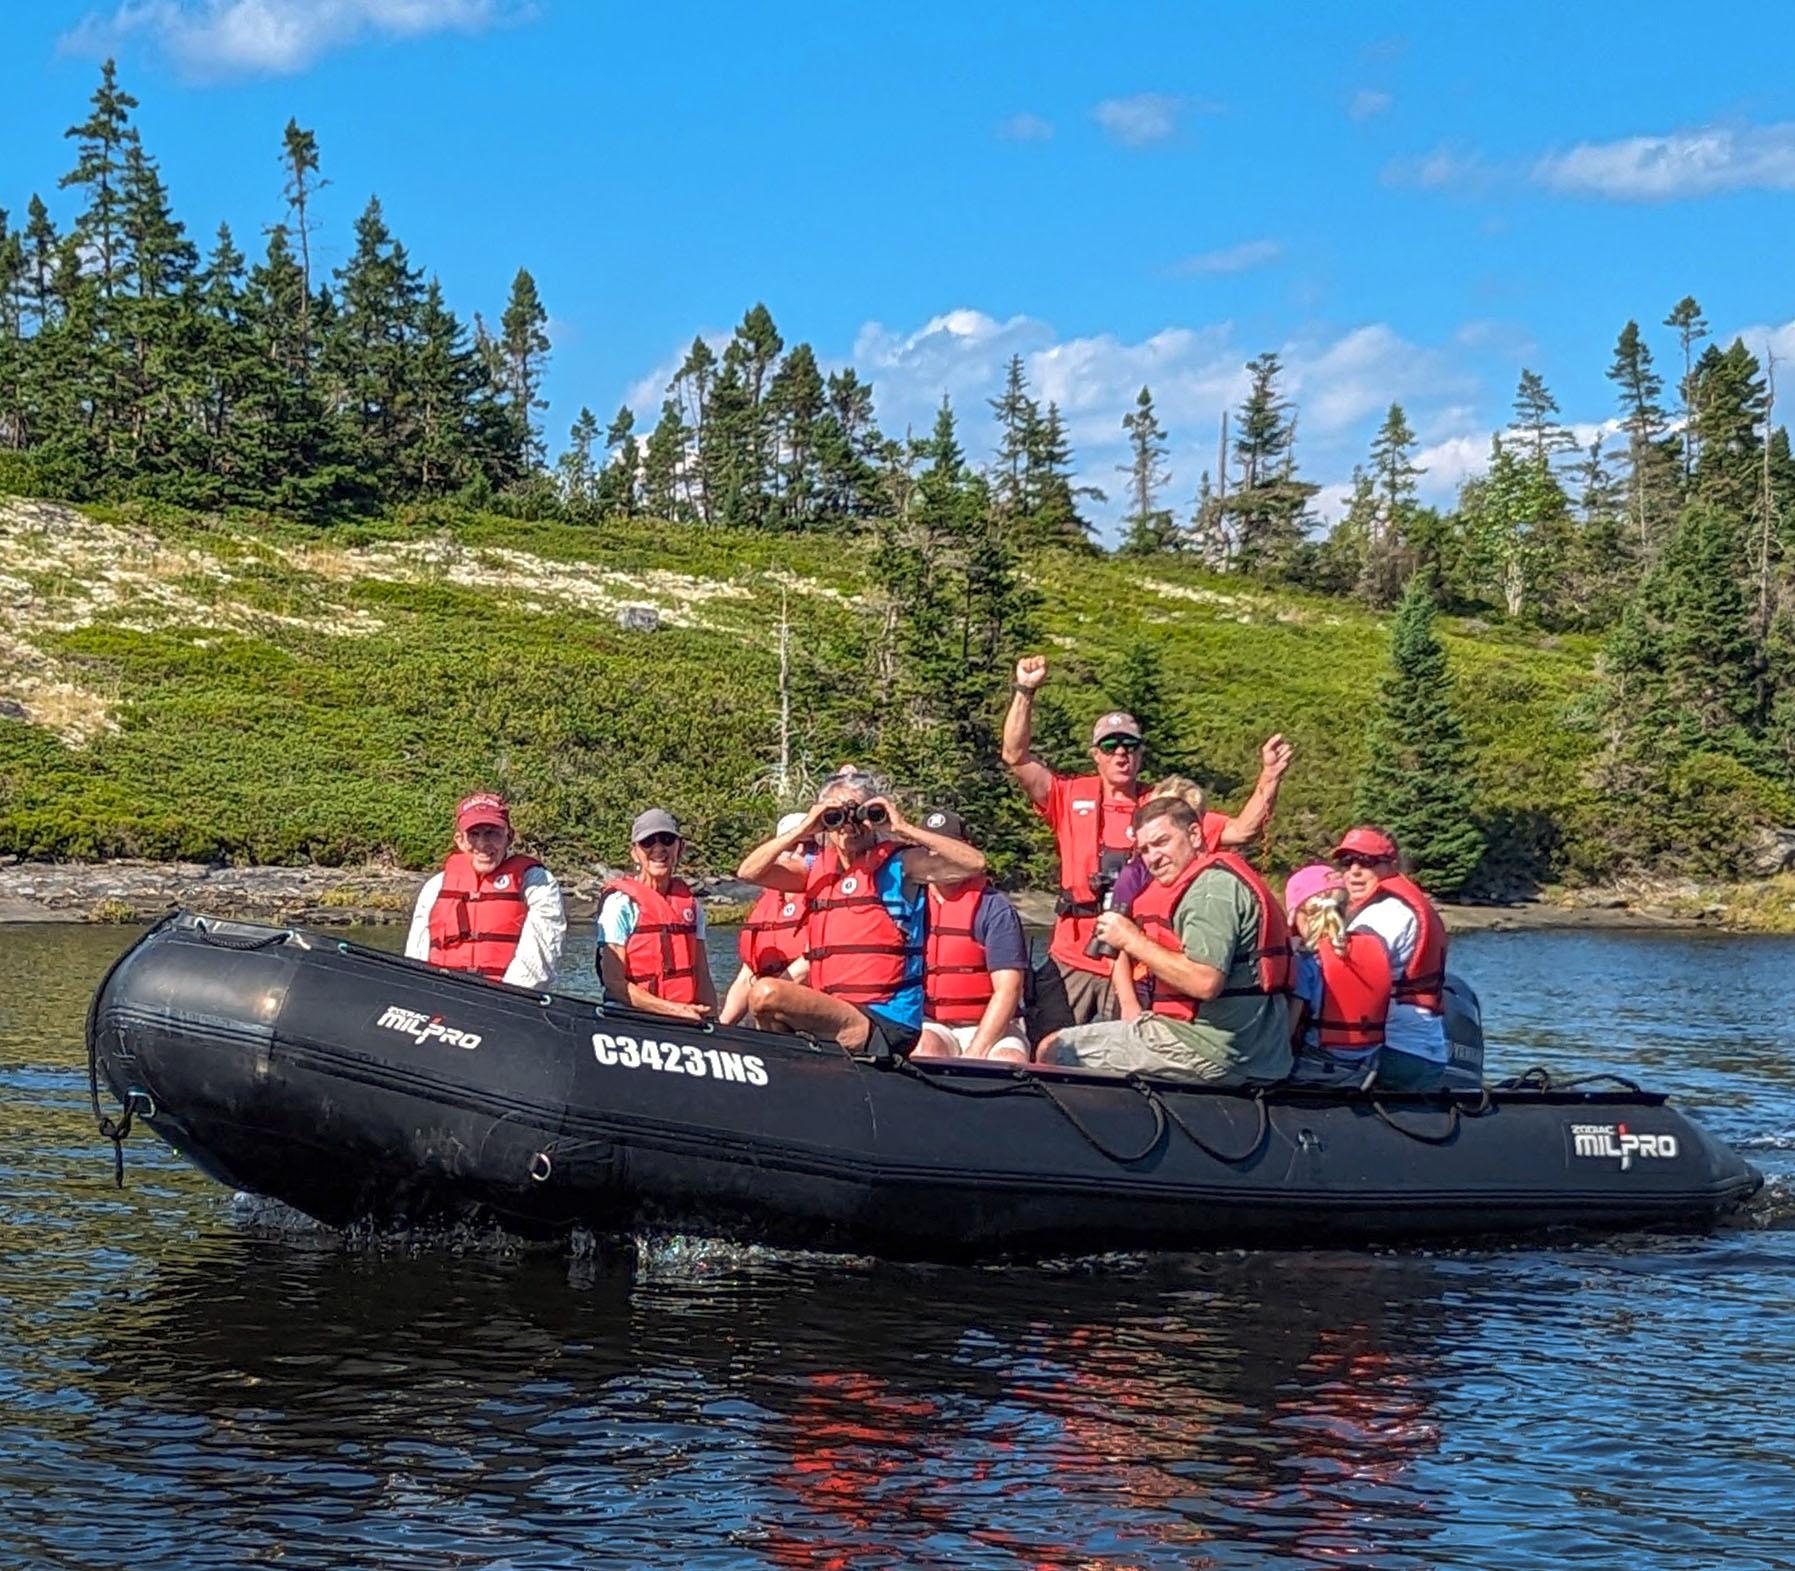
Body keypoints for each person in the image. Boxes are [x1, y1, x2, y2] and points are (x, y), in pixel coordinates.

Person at [1002, 654, 1294, 1038]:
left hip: (1134, 961)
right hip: (1070, 954)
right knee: (1046, 1043)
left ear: (1140, 754)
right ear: (1096, 755)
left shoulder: (1164, 810)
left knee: (1121, 1058)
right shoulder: (1068, 795)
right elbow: (1015, 756)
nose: (1120, 753)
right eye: (1110, 746)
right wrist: (1025, 690)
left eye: (1129, 746)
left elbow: (1242, 830)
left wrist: (1269, 778)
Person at [736, 766, 987, 1056]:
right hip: (836, 1009)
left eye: (860, 816)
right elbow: (748, 871)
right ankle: (792, 1073)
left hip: (887, 1019)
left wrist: (901, 827)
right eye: (836, 818)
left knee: (767, 994)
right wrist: (806, 826)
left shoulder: (901, 864)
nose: (849, 827)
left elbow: (974, 864)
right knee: (768, 1012)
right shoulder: (814, 870)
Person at [1042, 797, 1292, 1085]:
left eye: (1162, 842)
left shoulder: (1209, 892)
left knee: (1053, 1049)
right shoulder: (1219, 879)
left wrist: (1132, 940)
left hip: (1210, 1049)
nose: (1153, 857)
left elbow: (1204, 982)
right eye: (1145, 849)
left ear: (1195, 835)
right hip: (1258, 1052)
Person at [405, 791, 566, 988]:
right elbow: (416, 955)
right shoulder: (435, 887)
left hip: (505, 1001)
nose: (483, 845)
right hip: (441, 995)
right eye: (474, 834)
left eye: (492, 833)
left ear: (509, 837)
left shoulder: (536, 882)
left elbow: (540, 958)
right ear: (460, 840)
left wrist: (502, 999)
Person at [1334, 826, 1449, 1092]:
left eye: (1367, 862)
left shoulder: (1386, 914)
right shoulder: (1396, 905)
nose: (1354, 871)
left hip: (1395, 1051)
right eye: (1347, 862)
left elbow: (1345, 973)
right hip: (1422, 1050)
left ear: (1392, 865)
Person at [912, 809, 1031, 1063]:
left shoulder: (994, 907)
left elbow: (1008, 988)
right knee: (925, 1049)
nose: (937, 855)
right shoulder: (911, 902)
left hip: (990, 1025)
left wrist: (976, 1051)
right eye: (929, 848)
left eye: (945, 847)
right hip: (933, 1023)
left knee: (1006, 1061)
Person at [597, 808, 718, 1023]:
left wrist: (712, 1022)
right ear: (634, 852)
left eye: (667, 839)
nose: (658, 849)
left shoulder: (692, 907)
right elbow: (613, 982)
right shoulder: (620, 905)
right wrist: (674, 1010)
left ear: (680, 848)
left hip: (682, 1017)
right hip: (630, 1016)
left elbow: (702, 974)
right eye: (647, 842)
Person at [1283, 863, 1392, 1088]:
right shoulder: (1374, 946)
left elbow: (1288, 1029)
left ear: (1301, 915)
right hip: (1365, 1067)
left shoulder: (1307, 962)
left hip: (1317, 1066)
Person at [718, 811, 814, 1027]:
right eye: (792, 846)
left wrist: (768, 996)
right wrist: (722, 1027)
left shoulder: (826, 897)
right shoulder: (767, 902)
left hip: (803, 1010)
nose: (799, 852)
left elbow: (810, 964)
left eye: (809, 847)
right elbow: (747, 975)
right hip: (767, 1008)